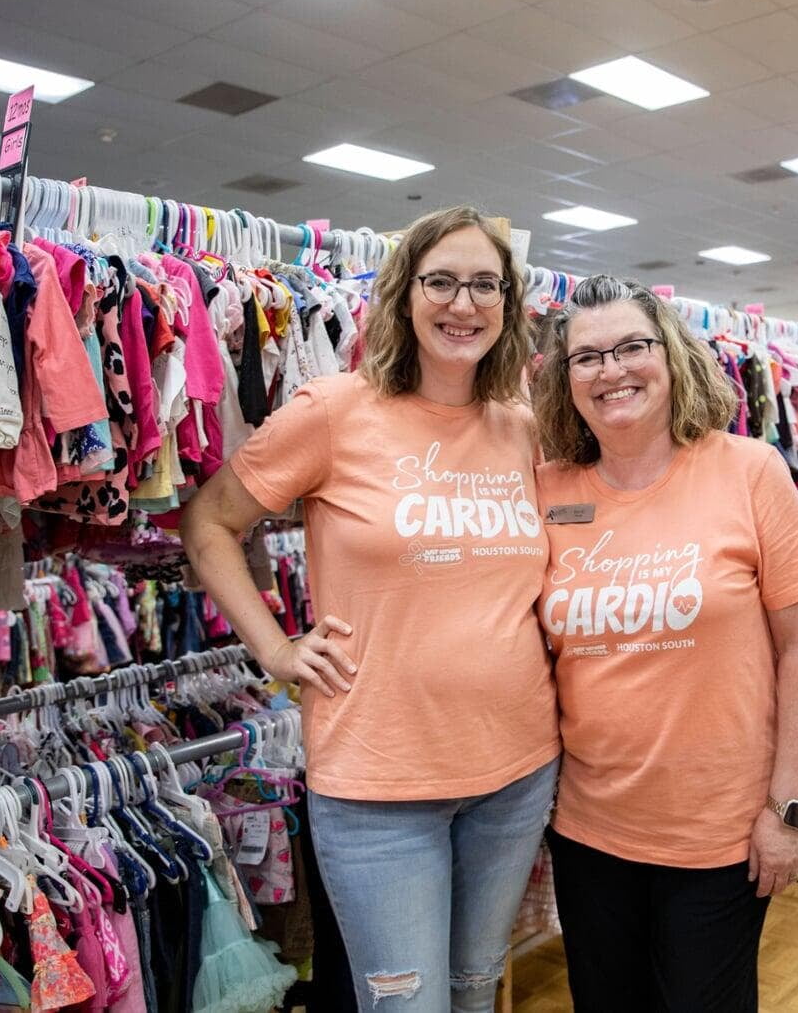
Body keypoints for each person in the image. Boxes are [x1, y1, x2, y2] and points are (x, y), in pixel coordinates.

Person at [181, 206, 559, 1012]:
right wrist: (275, 650)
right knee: (405, 1005)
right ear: (405, 293)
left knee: (472, 989)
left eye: (484, 284)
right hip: (378, 784)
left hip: (518, 769)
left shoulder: (521, 427)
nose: (464, 304)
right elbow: (209, 520)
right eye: (442, 282)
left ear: (508, 302)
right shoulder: (333, 409)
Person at [530, 274, 798, 1011]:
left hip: (721, 836)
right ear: (565, 380)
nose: (613, 370)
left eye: (633, 346)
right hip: (589, 831)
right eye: (588, 357)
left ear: (670, 356)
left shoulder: (749, 470)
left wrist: (787, 809)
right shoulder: (545, 490)